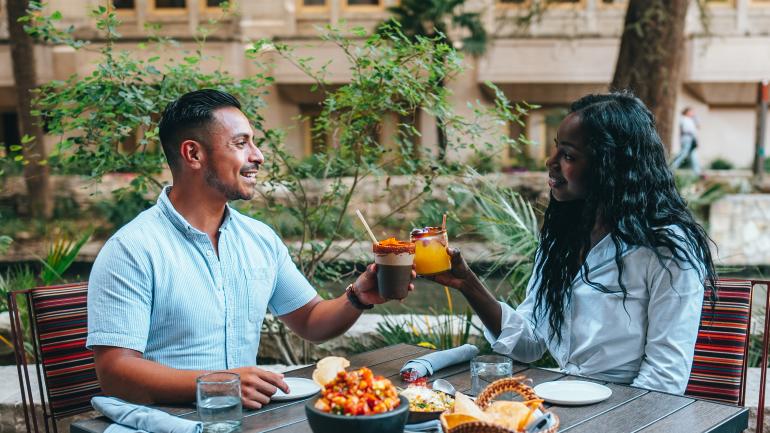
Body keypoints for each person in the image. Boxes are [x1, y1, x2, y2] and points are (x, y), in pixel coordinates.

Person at [86, 89, 414, 409]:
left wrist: (357, 297)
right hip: (165, 423)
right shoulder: (131, 250)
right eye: (241, 143)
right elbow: (114, 372)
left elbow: (310, 320)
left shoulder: (259, 239)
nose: (258, 155)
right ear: (194, 154)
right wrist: (219, 384)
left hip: (248, 420)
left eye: (253, 142)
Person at [431, 92, 716, 394]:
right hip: (563, 397)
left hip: (631, 407)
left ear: (609, 165)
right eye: (557, 149)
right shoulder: (564, 237)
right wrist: (467, 283)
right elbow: (529, 342)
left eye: (568, 155)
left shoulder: (666, 250)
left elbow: (664, 379)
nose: (550, 161)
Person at [670, 106, 702, 177]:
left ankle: (698, 172)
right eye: (691, 112)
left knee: (694, 155)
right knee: (683, 154)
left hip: (692, 139)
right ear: (687, 112)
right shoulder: (683, 119)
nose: (693, 113)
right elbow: (685, 130)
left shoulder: (691, 120)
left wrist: (695, 118)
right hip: (686, 139)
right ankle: (672, 168)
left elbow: (698, 127)